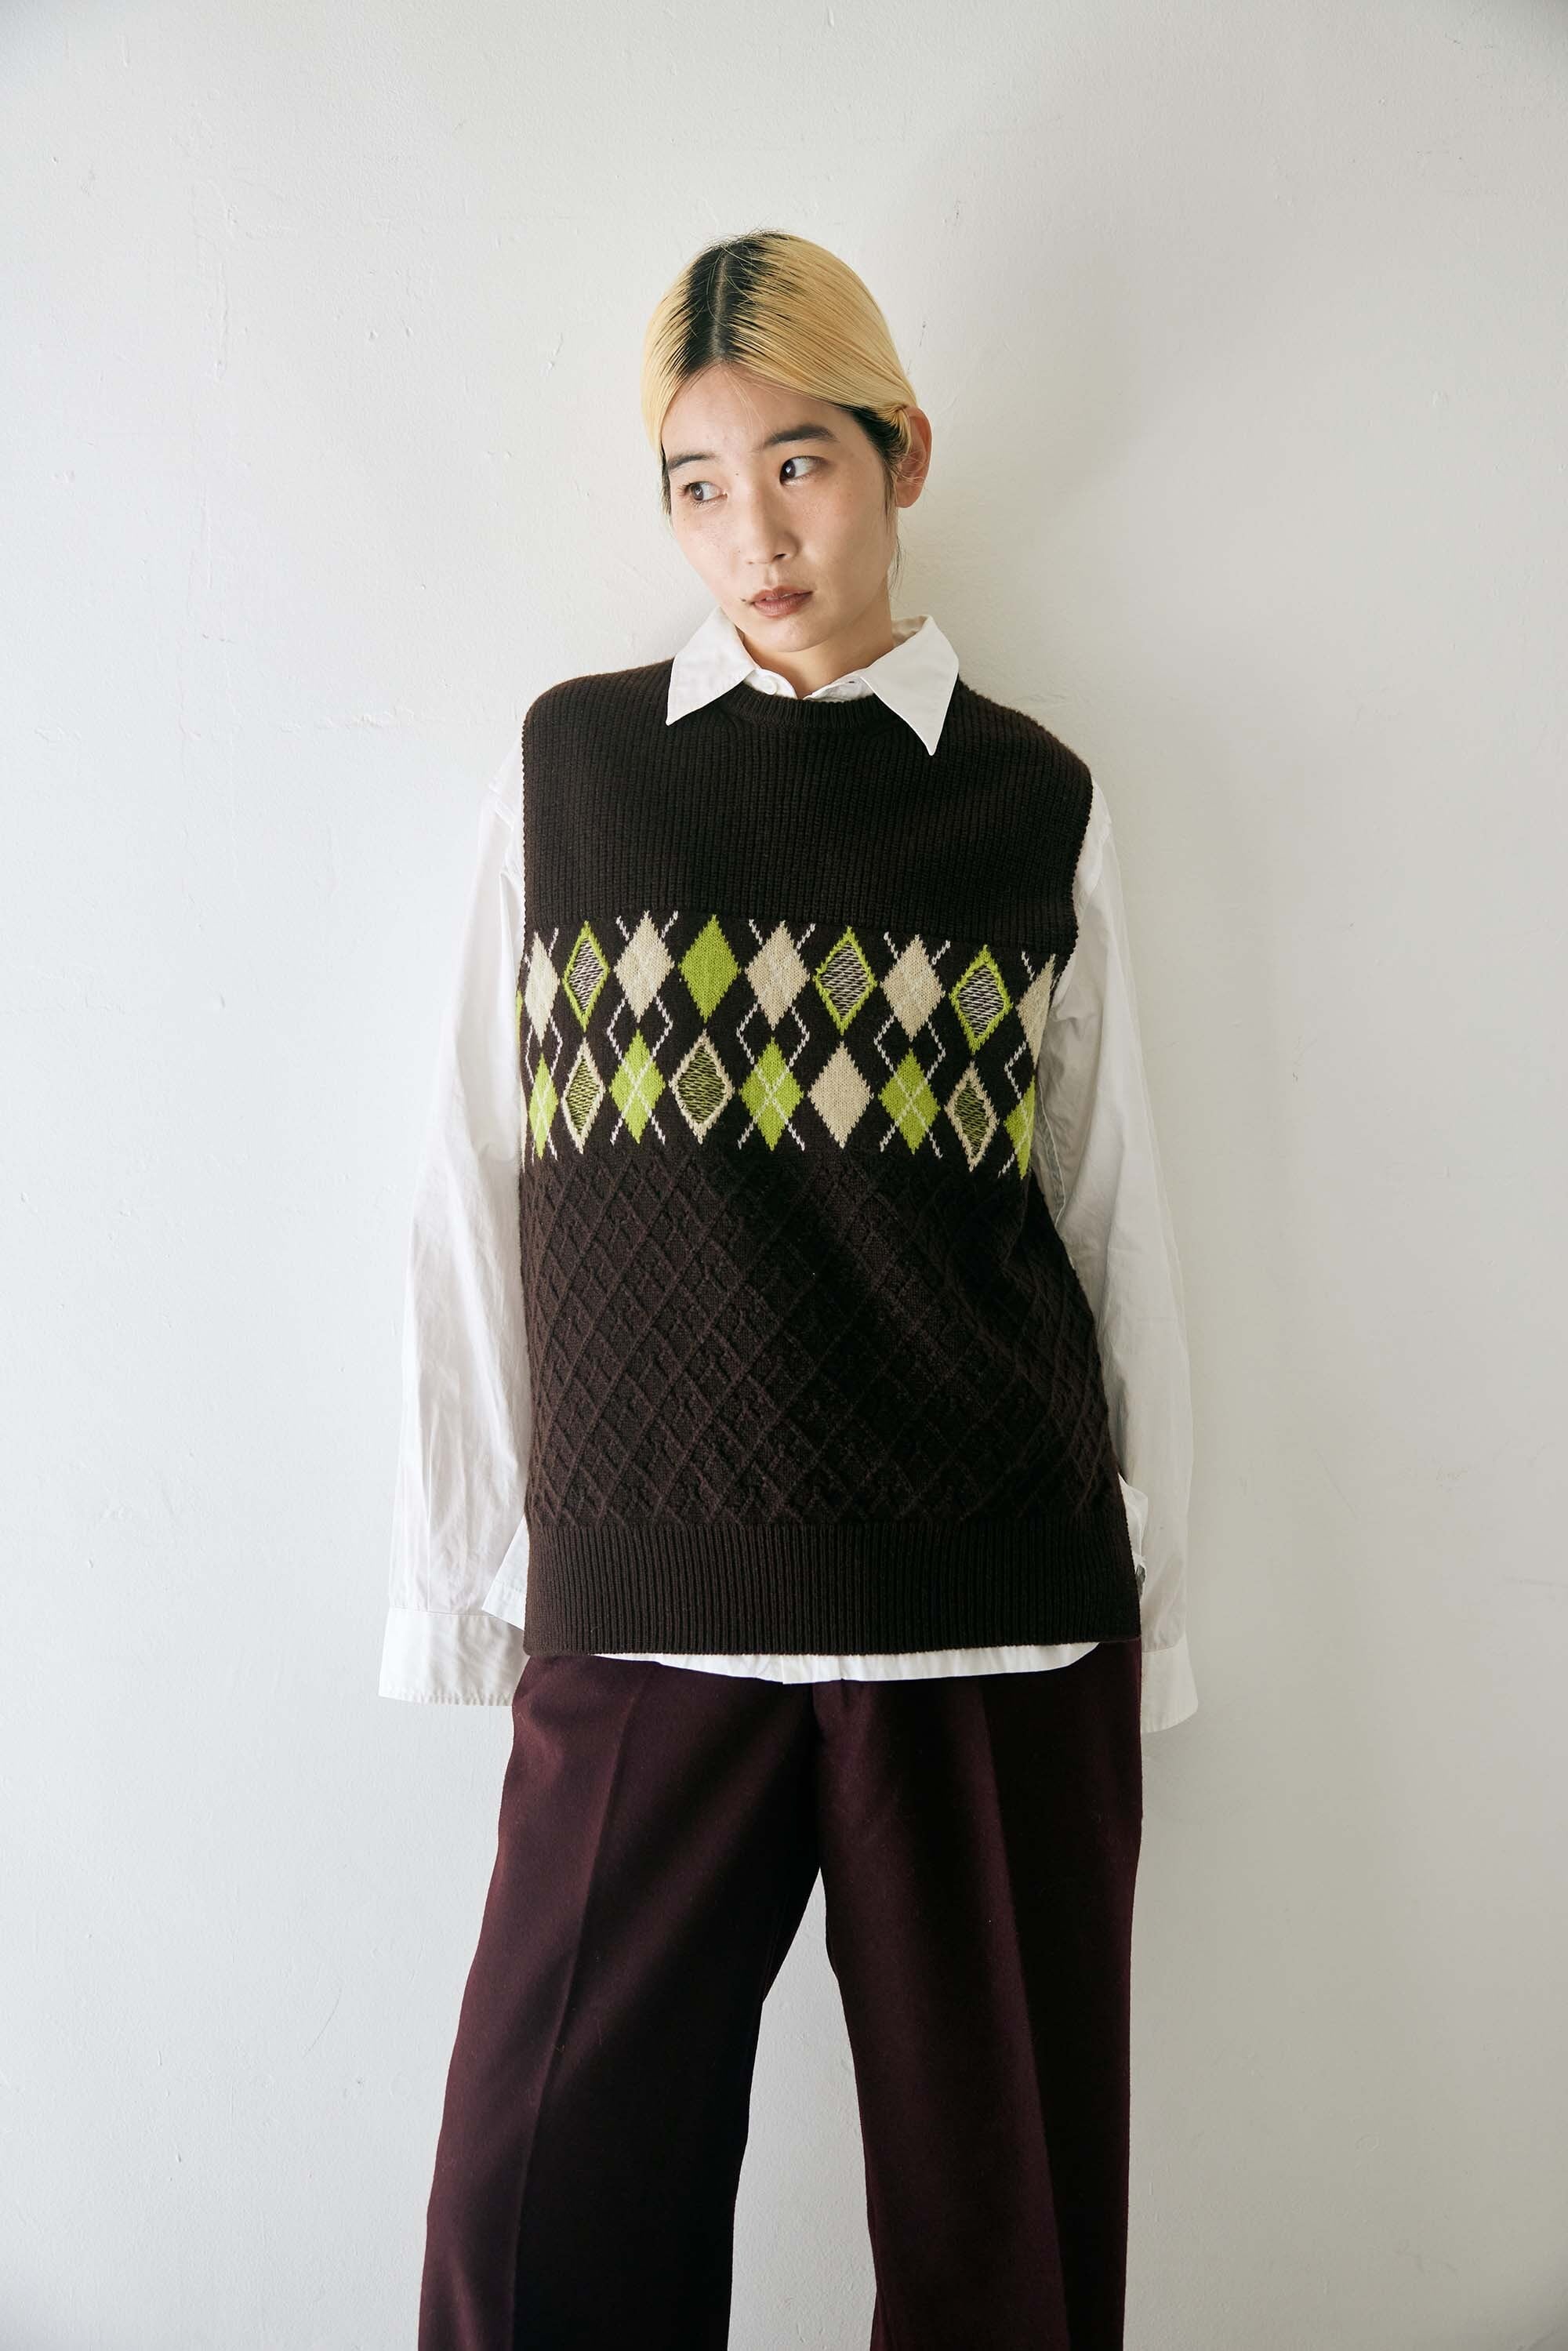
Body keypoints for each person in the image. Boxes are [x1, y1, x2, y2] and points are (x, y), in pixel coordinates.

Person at [379, 227, 1196, 2351]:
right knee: (534, 2239)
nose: (754, 535)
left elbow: (1113, 1215)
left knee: (1008, 2275)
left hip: (992, 1609)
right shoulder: (576, 774)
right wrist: (465, 1577)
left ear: (902, 453)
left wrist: (1159, 1599)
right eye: (697, 483)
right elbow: (476, 1182)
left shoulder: (1029, 800)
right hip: (651, 1601)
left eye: (801, 465)